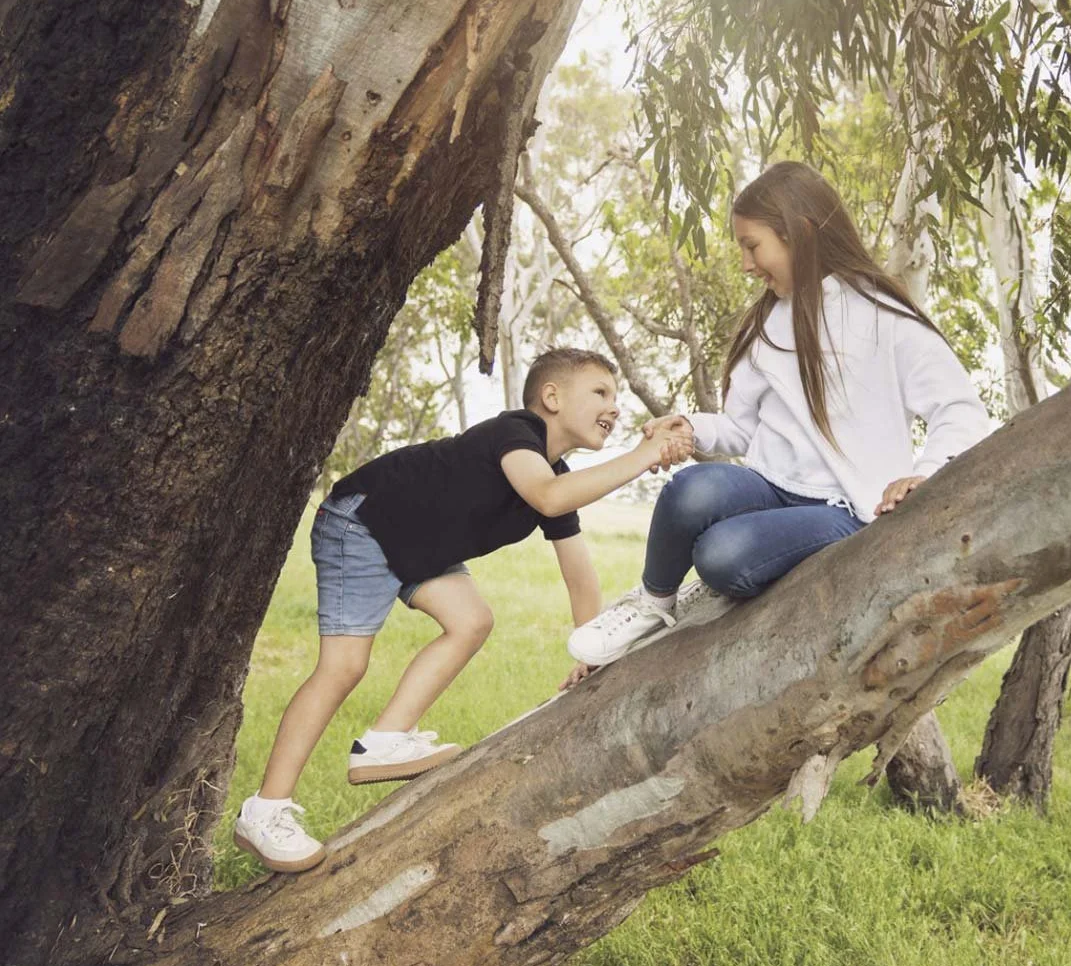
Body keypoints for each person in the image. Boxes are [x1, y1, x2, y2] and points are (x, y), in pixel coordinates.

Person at [232, 348, 692, 873]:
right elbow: (548, 496)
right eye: (601, 392)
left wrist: (593, 650)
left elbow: (578, 571)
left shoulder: (555, 471)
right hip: (363, 522)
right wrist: (643, 455)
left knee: (472, 621)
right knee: (343, 667)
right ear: (552, 397)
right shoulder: (515, 433)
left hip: (415, 544)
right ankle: (264, 811)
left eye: (616, 396)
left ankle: (384, 741)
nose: (614, 406)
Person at [565, 162, 989, 676]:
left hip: (846, 509)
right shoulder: (767, 323)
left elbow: (958, 408)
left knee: (720, 555)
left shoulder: (882, 315)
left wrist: (925, 474)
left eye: (752, 246)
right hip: (770, 486)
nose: (746, 265)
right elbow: (740, 429)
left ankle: (740, 564)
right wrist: (691, 428)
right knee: (688, 490)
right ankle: (653, 604)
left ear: (800, 232)